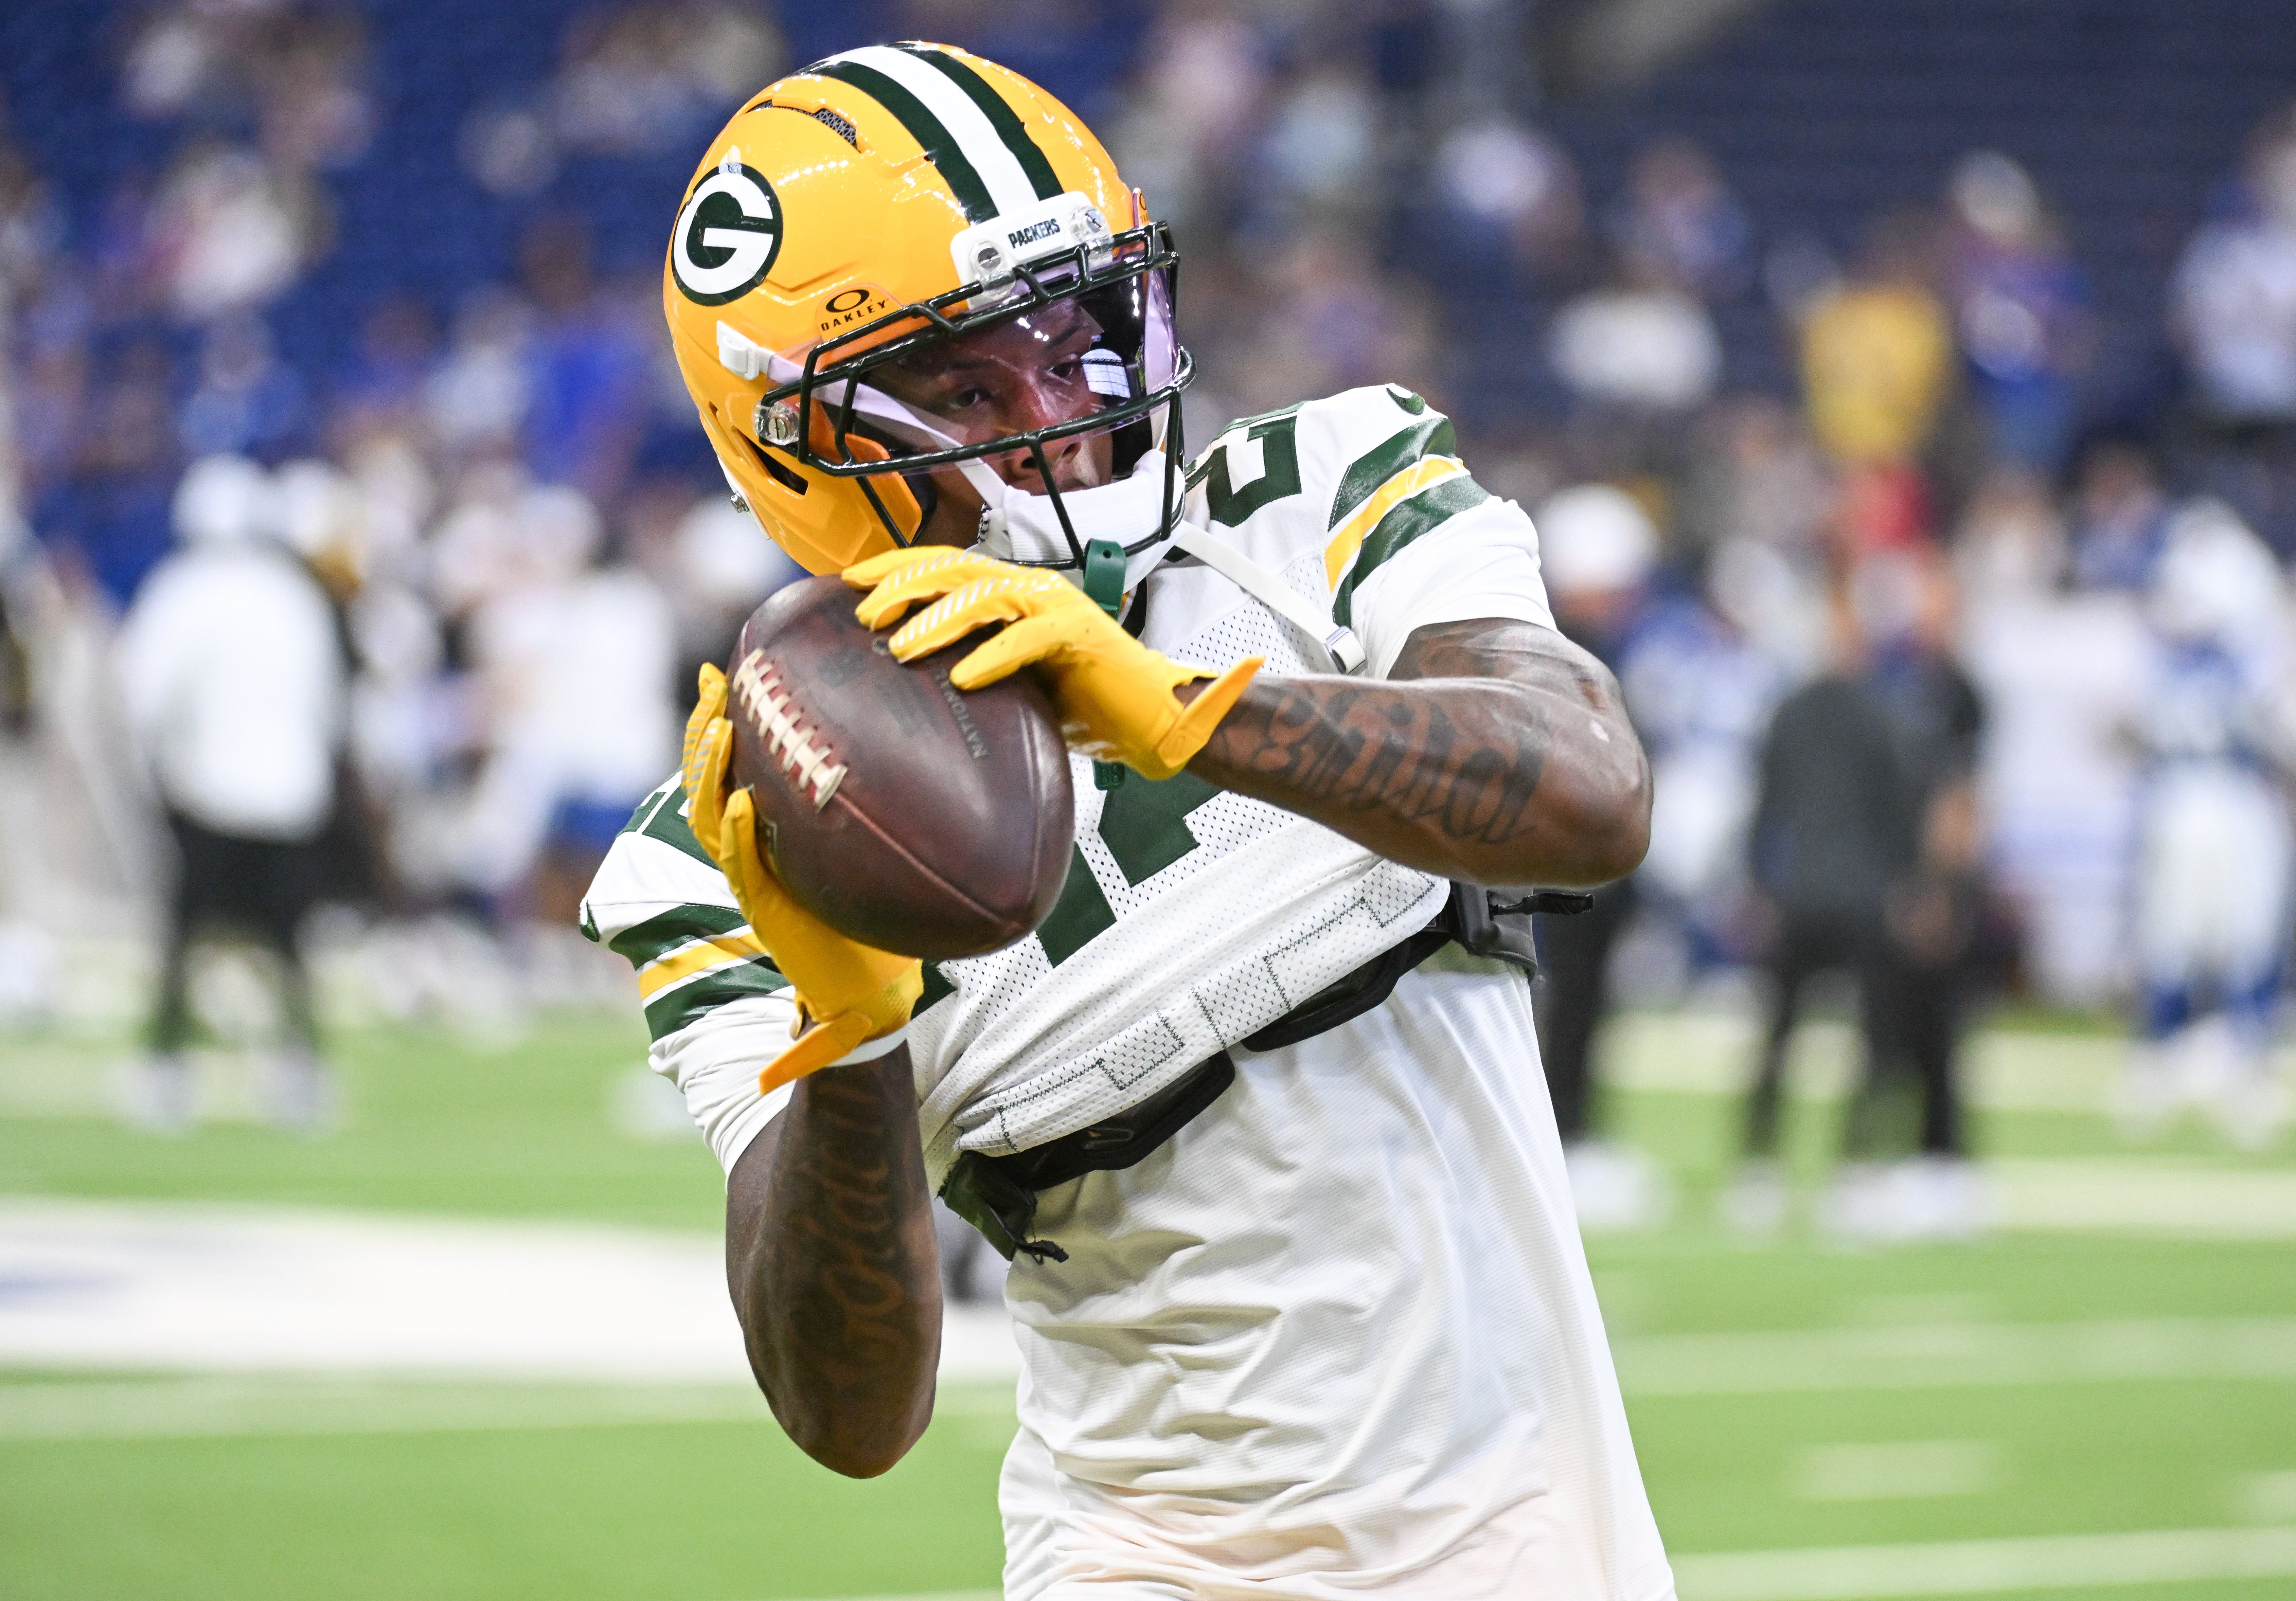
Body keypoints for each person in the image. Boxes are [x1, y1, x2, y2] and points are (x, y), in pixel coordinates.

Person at [579, 45, 1669, 1600]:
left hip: (1538, 1545)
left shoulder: (1306, 500)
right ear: (791, 441)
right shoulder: (727, 836)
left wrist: (1186, 709)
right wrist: (848, 1032)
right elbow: (850, 1408)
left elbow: (1587, 790)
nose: (1062, 420)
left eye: (1078, 338)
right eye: (966, 382)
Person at [115, 454, 346, 1131]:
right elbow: (326, 704)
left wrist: (162, 771)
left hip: (211, 793)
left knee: (185, 937)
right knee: (288, 944)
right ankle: (300, 1069)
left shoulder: (183, 589)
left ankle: (167, 1067)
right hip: (291, 797)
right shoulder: (292, 594)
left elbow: (144, 692)